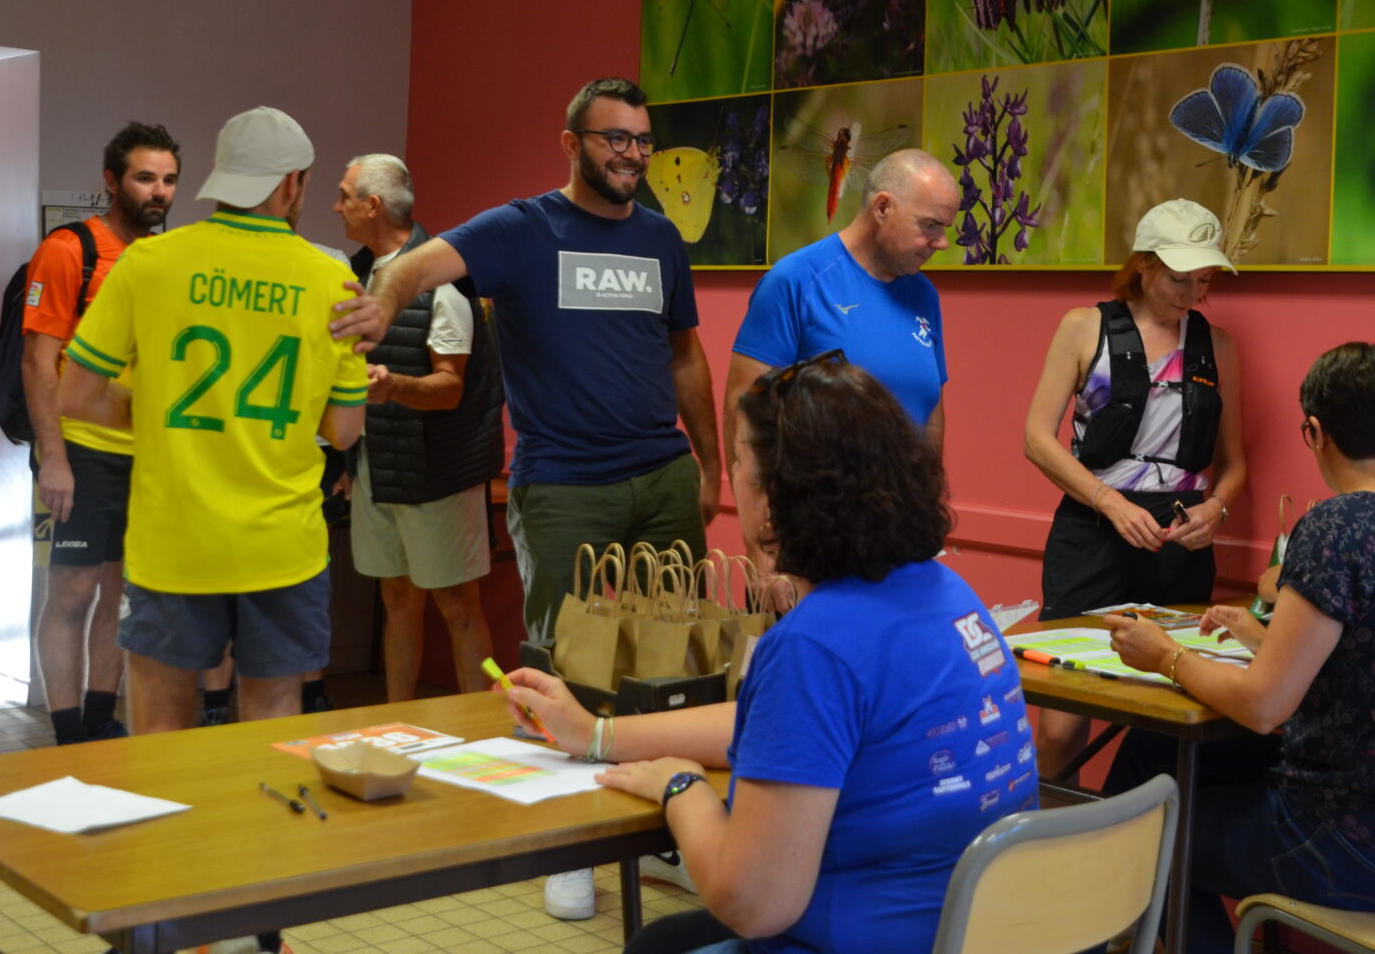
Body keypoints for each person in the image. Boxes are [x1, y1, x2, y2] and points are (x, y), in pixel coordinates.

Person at [329, 75, 722, 921]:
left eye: (642, 140)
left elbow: (685, 354)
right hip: (565, 481)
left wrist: (710, 463)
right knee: (563, 667)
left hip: (662, 473)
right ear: (572, 143)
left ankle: (663, 833)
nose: (632, 155)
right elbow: (420, 265)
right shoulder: (524, 228)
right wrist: (383, 302)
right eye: (615, 139)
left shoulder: (660, 238)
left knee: (673, 664)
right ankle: (565, 847)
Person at [499, 356, 1038, 954]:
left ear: (777, 498)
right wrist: (598, 734)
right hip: (989, 931)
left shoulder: (814, 645)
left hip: (873, 937)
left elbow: (754, 905)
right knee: (664, 940)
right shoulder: (950, 595)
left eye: (738, 462)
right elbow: (782, 729)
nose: (733, 477)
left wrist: (682, 789)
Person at [1102, 342, 1375, 954]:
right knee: (1153, 749)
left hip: (1357, 845)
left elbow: (1263, 706)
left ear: (1315, 432)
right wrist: (1267, 640)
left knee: (1136, 833)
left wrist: (1166, 654)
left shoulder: (1338, 526)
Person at [59, 106, 367, 738]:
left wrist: (152, 417)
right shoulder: (333, 280)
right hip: (281, 542)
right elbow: (343, 431)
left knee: (159, 718)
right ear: (291, 183)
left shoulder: (149, 262)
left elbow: (76, 396)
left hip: (172, 536)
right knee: (272, 720)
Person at [1021, 198, 1245, 774]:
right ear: (1143, 264)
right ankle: (1049, 825)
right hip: (1091, 529)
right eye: (1179, 278)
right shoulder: (1083, 327)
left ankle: (1147, 823)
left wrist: (1217, 509)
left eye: (1204, 280)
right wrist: (1109, 502)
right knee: (1062, 724)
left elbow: (1233, 462)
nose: (1192, 294)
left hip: (1179, 542)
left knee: (1170, 710)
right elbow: (1037, 439)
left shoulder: (1218, 347)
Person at [24, 122, 180, 744]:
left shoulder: (170, 257)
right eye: (145, 178)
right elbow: (38, 363)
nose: (159, 192)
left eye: (169, 180)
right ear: (112, 181)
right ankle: (66, 732)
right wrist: (53, 458)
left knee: (121, 593)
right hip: (83, 451)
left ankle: (99, 717)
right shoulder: (70, 250)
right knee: (71, 591)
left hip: (151, 455)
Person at [334, 153, 501, 702]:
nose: (336, 207)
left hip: (439, 473)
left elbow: (450, 387)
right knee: (396, 599)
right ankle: (397, 721)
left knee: (458, 606)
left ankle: (481, 730)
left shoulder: (443, 283)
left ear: (373, 205)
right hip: (377, 469)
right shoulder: (355, 274)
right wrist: (350, 460)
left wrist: (395, 387)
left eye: (344, 196)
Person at [724, 149, 957, 455]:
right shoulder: (795, 280)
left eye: (944, 228)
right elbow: (745, 411)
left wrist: (931, 485)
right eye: (931, 225)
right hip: (815, 485)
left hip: (907, 487)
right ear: (883, 207)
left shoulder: (924, 295)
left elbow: (931, 414)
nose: (942, 243)